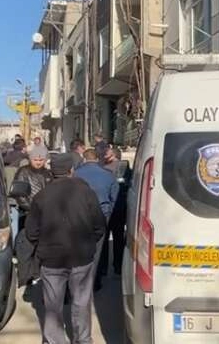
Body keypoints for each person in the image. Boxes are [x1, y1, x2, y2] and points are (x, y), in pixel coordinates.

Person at [25, 153, 106, 344]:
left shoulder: (41, 196)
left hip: (52, 258)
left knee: (53, 306)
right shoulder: (86, 192)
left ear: (52, 172)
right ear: (71, 170)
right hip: (82, 256)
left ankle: (55, 341)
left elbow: (31, 232)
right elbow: (99, 225)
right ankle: (83, 340)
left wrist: (44, 245)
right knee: (82, 301)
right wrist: (88, 243)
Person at [74, 149, 119, 290]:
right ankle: (95, 280)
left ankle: (80, 279)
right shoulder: (108, 174)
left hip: (80, 214)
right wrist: (108, 211)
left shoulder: (76, 174)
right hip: (101, 214)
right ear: (97, 159)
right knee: (99, 248)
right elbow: (114, 197)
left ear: (84, 159)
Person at [101, 147, 131, 276]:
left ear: (113, 155)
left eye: (107, 153)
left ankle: (107, 267)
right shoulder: (124, 168)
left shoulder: (108, 168)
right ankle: (115, 267)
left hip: (112, 208)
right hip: (115, 208)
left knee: (109, 239)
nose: (104, 154)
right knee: (115, 238)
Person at [12, 148, 53, 225]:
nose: (38, 162)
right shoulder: (23, 172)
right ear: (30, 159)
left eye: (41, 160)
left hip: (45, 212)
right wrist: (31, 208)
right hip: (27, 213)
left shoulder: (48, 173)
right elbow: (19, 195)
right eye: (35, 160)